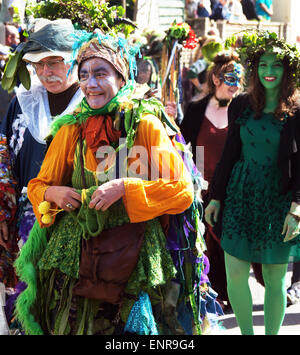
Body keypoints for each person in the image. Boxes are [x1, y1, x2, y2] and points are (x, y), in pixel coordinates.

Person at [14, 29, 195, 335]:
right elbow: (38, 186)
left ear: (121, 78)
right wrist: (55, 192)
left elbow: (181, 191)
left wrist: (124, 188)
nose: (91, 83)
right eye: (84, 75)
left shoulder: (144, 124)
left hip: (132, 255)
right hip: (75, 257)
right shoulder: (72, 129)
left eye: (101, 73)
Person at [205, 31, 300, 335]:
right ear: (255, 69)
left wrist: (296, 209)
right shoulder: (241, 105)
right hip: (239, 194)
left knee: (275, 280)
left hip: (279, 200)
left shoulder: (297, 111)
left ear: (288, 70)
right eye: (262, 65)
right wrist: (216, 197)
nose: (268, 72)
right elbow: (229, 154)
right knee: (235, 274)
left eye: (276, 65)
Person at [0, 18, 83, 331]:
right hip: (27, 225)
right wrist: (2, 215)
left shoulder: (94, 103)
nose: (46, 72)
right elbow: (4, 162)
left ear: (75, 59)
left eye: (55, 62)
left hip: (80, 224)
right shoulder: (22, 105)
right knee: (32, 306)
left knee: (72, 308)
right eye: (38, 65)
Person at [181, 51, 243, 309]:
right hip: (202, 189)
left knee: (228, 244)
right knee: (206, 245)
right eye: (231, 78)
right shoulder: (197, 109)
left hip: (234, 187)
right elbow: (183, 145)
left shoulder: (244, 108)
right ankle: (213, 295)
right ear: (216, 79)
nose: (236, 84)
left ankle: (234, 293)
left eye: (240, 78)